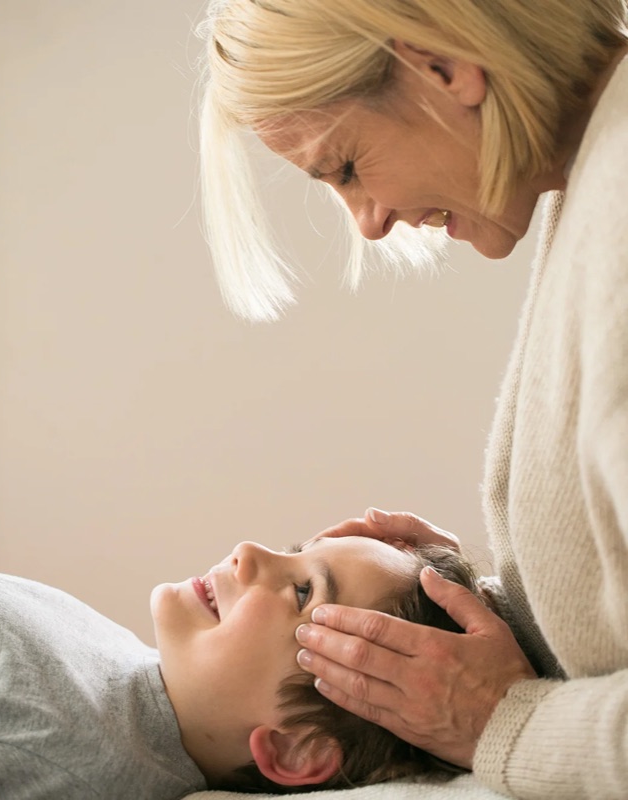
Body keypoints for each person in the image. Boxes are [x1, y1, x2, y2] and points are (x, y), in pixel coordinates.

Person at [198, 1, 628, 798]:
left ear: (442, 66)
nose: (366, 223)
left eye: (347, 168)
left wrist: (501, 722)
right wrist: (493, 603)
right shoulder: (591, 171)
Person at [0, 537, 498, 798]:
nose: (248, 552)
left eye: (303, 590)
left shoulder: (56, 753)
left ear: (296, 745)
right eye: (298, 549)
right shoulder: (112, 664)